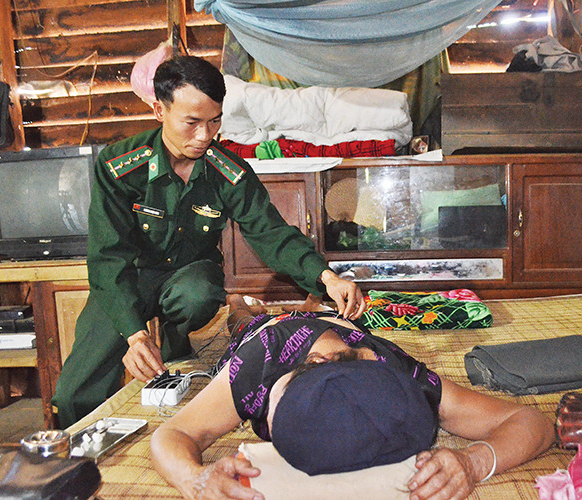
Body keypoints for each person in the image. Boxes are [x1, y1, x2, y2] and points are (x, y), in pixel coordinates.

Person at [52, 56, 365, 429]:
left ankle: (175, 339)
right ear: (159, 110)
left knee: (199, 292)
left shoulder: (227, 172)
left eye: (214, 121)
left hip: (189, 276)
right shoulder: (120, 166)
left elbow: (272, 233)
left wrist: (327, 277)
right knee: (75, 394)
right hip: (127, 280)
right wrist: (134, 336)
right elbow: (108, 259)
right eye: (192, 122)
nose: (205, 136)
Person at [151, 295, 554, 500]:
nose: (263, 425)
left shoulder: (403, 381)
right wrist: (194, 479)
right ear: (307, 362)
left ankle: (312, 304)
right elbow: (171, 435)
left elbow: (533, 422)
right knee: (243, 318)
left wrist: (473, 462)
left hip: (338, 335)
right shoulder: (257, 364)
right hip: (264, 329)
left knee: (318, 308)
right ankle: (243, 302)